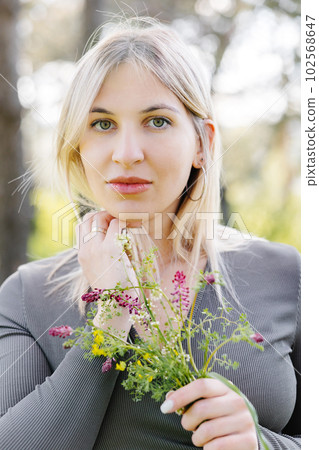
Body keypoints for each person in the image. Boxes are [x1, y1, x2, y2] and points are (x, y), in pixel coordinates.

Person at [0, 17, 300, 450]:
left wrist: (264, 444)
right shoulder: (26, 297)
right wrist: (110, 318)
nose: (126, 154)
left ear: (202, 143)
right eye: (102, 124)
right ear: (77, 146)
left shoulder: (285, 275)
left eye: (156, 121)